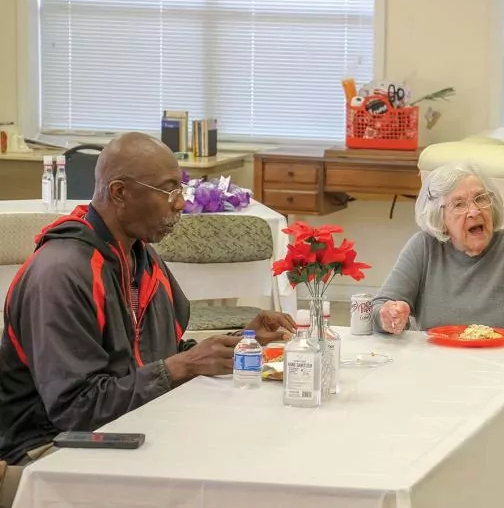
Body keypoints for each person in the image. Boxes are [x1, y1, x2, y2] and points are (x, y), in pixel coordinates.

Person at [0, 133, 295, 507]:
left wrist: (240, 342)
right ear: (120, 193)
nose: (181, 203)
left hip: (132, 425)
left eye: (181, 189)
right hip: (51, 450)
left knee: (256, 450)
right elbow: (76, 410)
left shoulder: (140, 257)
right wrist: (184, 365)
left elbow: (159, 356)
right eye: (168, 190)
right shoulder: (61, 273)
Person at [371, 163, 504, 508]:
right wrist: (390, 315)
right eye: (459, 204)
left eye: (481, 199)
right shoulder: (424, 248)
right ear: (440, 219)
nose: (475, 211)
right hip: (438, 386)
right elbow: (381, 306)